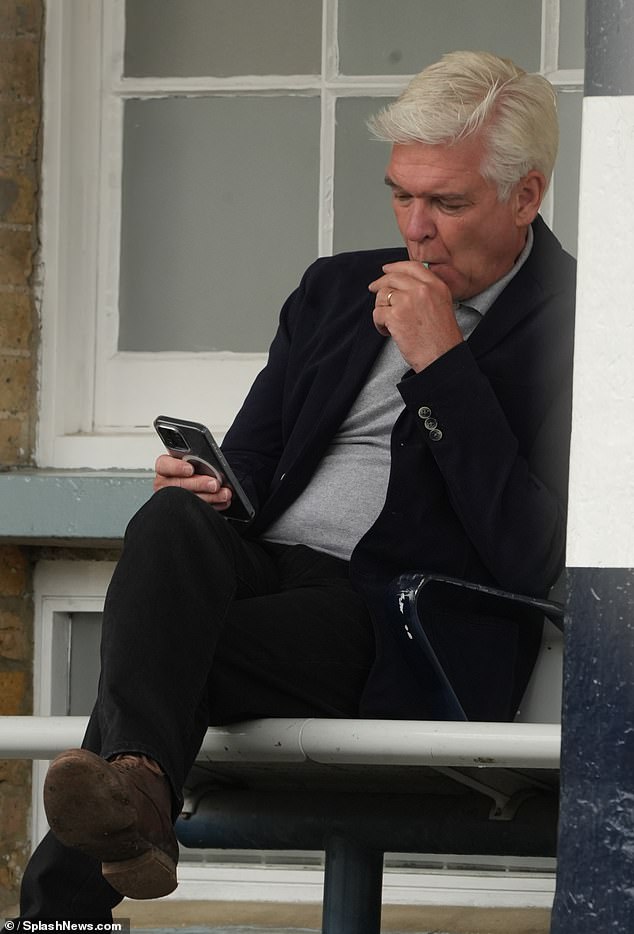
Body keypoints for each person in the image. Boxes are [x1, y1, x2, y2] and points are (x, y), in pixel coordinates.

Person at [14, 50, 576, 920]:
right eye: (401, 194)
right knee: (169, 524)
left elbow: (529, 547)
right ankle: (138, 797)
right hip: (268, 572)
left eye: (448, 202)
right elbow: (254, 468)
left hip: (401, 615)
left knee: (158, 657)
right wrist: (210, 487)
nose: (416, 228)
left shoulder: (585, 324)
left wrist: (442, 364)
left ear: (526, 197)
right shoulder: (332, 290)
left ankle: (67, 899)